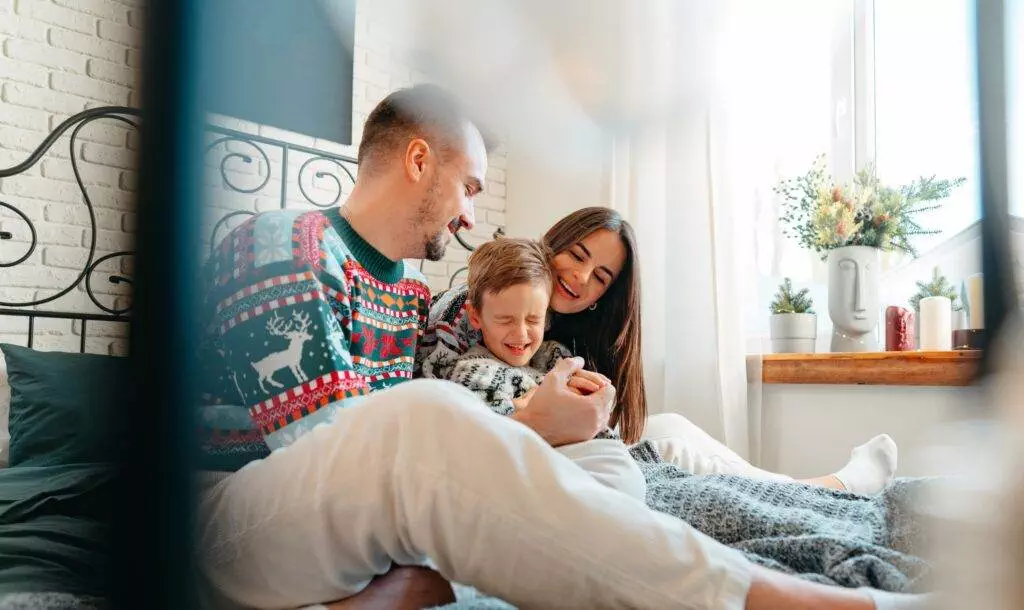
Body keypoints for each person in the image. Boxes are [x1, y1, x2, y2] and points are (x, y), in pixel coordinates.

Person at [196, 83, 912, 610]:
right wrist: (527, 426)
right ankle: (774, 602)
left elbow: (390, 475)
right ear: (419, 160)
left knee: (608, 464)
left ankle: (428, 588)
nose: (474, 213)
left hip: (347, 517)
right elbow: (333, 453)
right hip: (233, 518)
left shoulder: (406, 293)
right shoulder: (284, 244)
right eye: (469, 186)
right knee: (426, 412)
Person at [420, 206, 899, 496]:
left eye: (601, 277)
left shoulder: (562, 341)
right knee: (667, 447)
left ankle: (810, 489)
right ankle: (827, 491)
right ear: (554, 244)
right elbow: (455, 410)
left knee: (671, 428)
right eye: (578, 256)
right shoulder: (473, 310)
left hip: (564, 446)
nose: (582, 278)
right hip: (509, 448)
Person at [447, 236, 646, 501]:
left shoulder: (553, 356)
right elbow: (481, 433)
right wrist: (526, 407)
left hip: (593, 451)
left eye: (533, 319)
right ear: (475, 317)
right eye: (505, 319)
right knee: (620, 481)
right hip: (548, 463)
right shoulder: (474, 371)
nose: (520, 334)